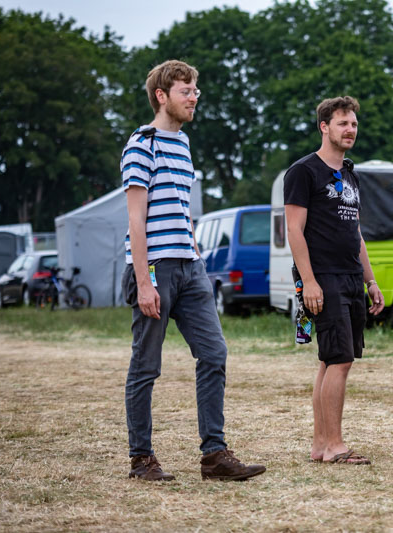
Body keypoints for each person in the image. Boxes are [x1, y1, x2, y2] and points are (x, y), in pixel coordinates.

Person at [120, 60, 265, 481]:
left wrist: (196, 254)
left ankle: (214, 456)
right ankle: (141, 459)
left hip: (190, 266)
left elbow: (183, 211)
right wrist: (144, 281)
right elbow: (135, 218)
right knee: (146, 365)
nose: (194, 97)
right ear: (162, 96)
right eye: (186, 91)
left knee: (214, 353)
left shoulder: (183, 144)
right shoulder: (141, 144)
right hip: (155, 268)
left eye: (195, 90)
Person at [284, 96, 384, 465]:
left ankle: (321, 445)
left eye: (354, 124)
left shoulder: (351, 175)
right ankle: (335, 446)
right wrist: (309, 281)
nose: (350, 129)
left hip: (351, 277)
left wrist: (370, 281)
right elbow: (293, 230)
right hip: (323, 278)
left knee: (331, 361)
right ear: (324, 127)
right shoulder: (303, 172)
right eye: (343, 123)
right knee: (339, 359)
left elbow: (355, 232)